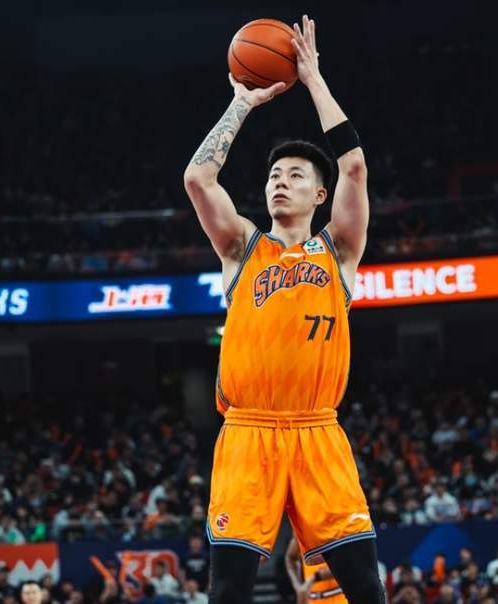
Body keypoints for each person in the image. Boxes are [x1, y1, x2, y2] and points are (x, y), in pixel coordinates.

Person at [184, 14, 380, 604]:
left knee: (364, 588)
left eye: (295, 175)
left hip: (318, 430)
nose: (280, 181)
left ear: (320, 194)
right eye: (274, 174)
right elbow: (198, 178)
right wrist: (241, 103)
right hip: (248, 433)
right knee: (229, 591)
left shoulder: (339, 251)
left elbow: (354, 166)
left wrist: (313, 78)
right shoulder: (242, 247)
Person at [285, 536, 346, 603]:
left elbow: (346, 562)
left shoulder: (335, 531)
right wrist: (298, 588)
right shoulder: (302, 533)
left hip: (340, 595)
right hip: (312, 599)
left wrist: (315, 577)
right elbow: (291, 557)